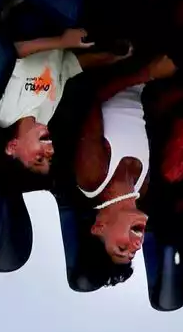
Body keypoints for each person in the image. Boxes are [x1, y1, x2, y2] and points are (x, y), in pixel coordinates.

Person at [0, 2, 132, 175]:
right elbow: (67, 68)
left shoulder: (6, 114)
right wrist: (110, 57)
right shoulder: (46, 116)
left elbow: (14, 51)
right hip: (63, 28)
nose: (50, 151)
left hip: (33, 20)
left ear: (12, 147)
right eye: (49, 158)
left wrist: (62, 41)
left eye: (38, 159)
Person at [73, 54, 176, 265]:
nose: (136, 245)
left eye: (122, 248)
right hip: (140, 72)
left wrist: (147, 73)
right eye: (134, 252)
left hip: (111, 58)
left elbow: (86, 96)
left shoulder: (93, 177)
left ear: (99, 228)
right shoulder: (142, 187)